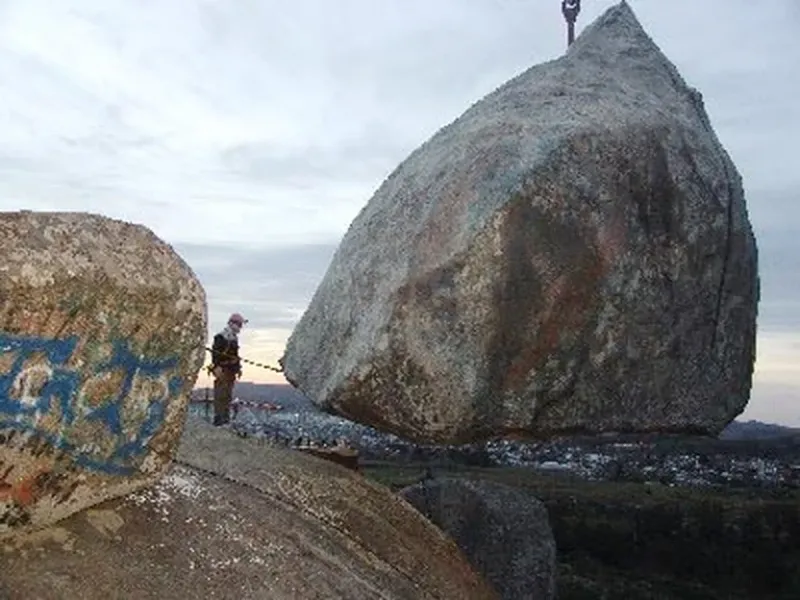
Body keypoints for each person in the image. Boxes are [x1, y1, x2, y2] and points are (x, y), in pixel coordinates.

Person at [210, 312, 247, 426]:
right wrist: (216, 367)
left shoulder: (234, 338)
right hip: (222, 369)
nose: (240, 327)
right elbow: (215, 355)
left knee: (227, 395)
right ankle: (219, 419)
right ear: (232, 324)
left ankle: (225, 418)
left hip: (231, 371)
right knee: (220, 394)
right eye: (239, 324)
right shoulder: (221, 337)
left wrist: (238, 368)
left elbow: (235, 356)